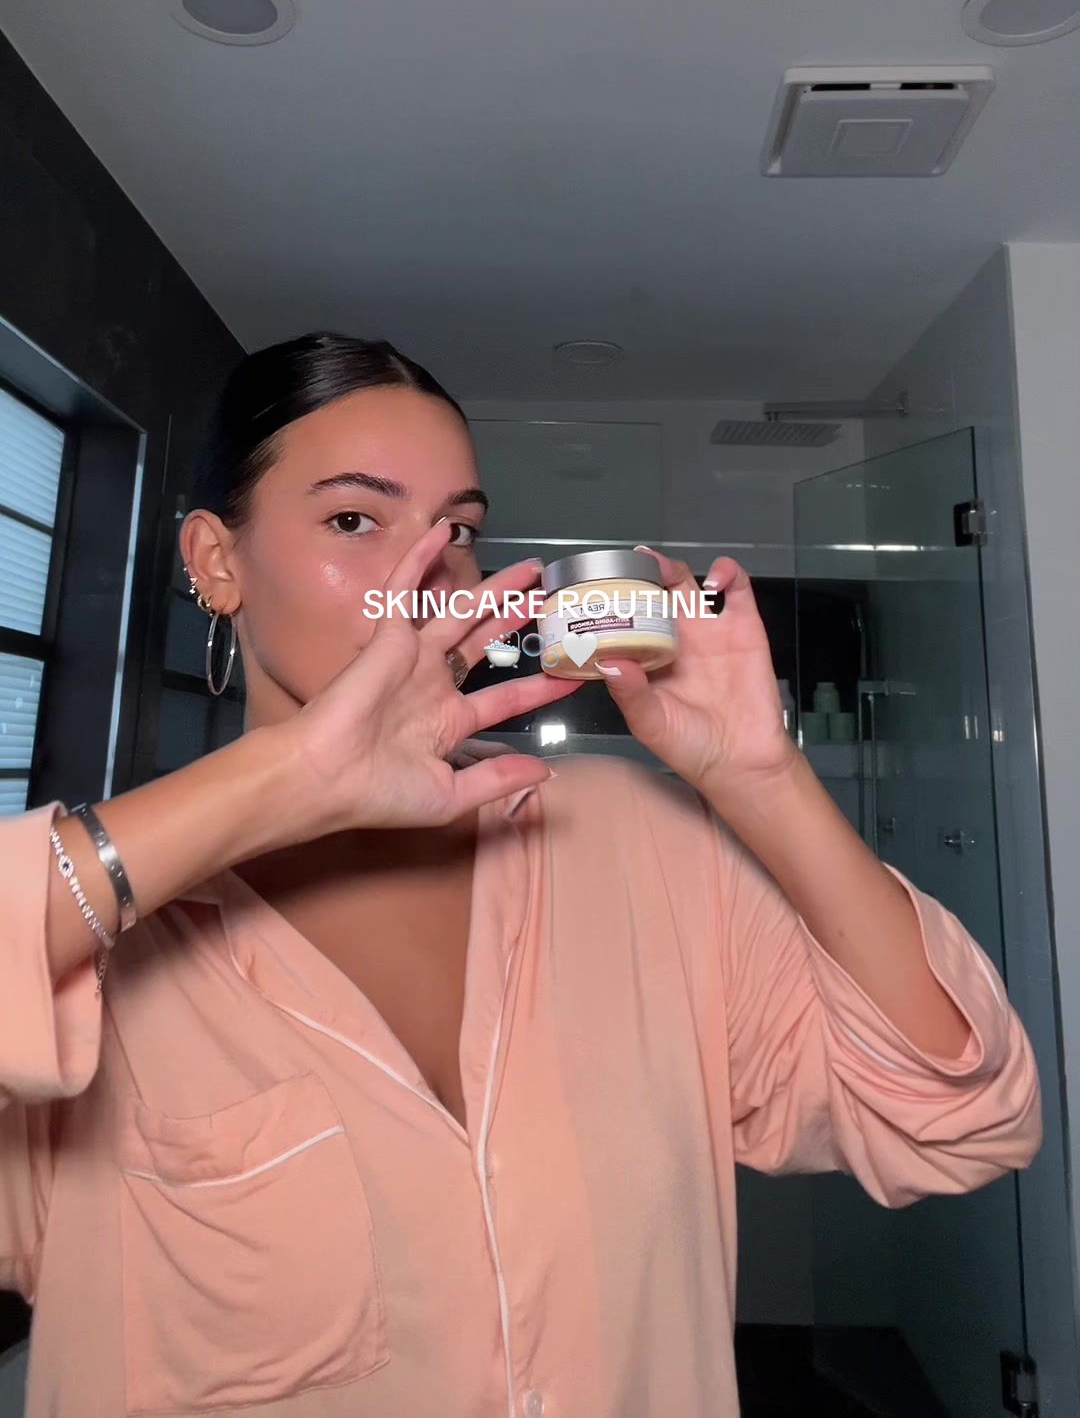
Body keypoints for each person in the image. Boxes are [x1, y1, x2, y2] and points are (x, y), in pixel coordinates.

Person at [0, 332, 1041, 1418]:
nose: (425, 576)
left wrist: (766, 781)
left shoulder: (633, 840)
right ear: (217, 561)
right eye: (354, 520)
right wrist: (284, 781)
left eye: (457, 530)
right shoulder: (94, 946)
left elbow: (962, 1118)